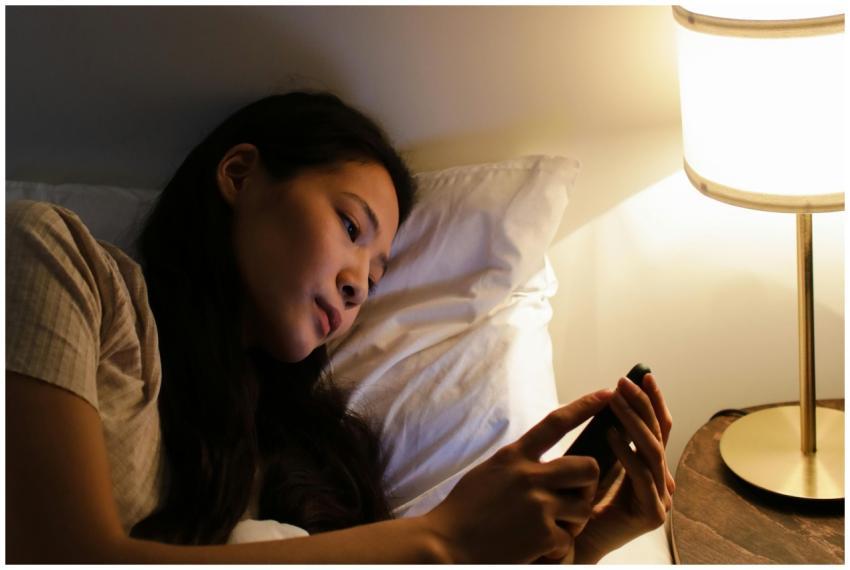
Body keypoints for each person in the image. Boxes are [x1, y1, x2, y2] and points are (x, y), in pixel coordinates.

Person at [5, 91, 674, 564]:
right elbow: (61, 556)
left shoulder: (284, 456)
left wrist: (583, 546)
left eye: (376, 278)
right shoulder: (56, 262)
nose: (357, 285)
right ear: (239, 174)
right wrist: (441, 538)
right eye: (351, 227)